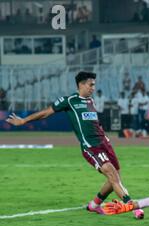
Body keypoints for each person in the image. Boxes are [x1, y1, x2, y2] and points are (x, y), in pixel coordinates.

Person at [5, 71, 137, 214]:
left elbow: (93, 122)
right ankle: (133, 207)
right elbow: (46, 112)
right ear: (81, 84)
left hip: (105, 143)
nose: (93, 88)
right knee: (112, 174)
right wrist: (24, 120)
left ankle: (94, 204)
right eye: (90, 85)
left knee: (115, 177)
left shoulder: (90, 101)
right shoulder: (69, 101)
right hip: (91, 147)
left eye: (94, 85)